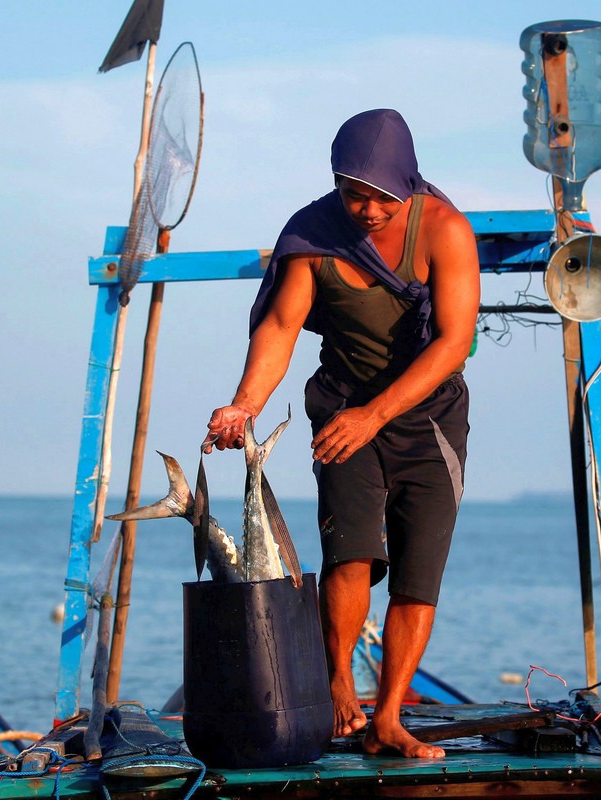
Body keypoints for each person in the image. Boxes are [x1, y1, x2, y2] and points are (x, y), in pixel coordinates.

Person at [203, 109, 480, 759]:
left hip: (427, 418)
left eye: (383, 197)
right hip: (343, 409)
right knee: (351, 552)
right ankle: (335, 689)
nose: (368, 210)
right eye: (354, 193)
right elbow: (279, 328)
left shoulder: (446, 231)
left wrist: (378, 414)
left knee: (417, 572)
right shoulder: (312, 233)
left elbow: (454, 343)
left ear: (407, 185)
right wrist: (243, 405)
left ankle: (388, 718)